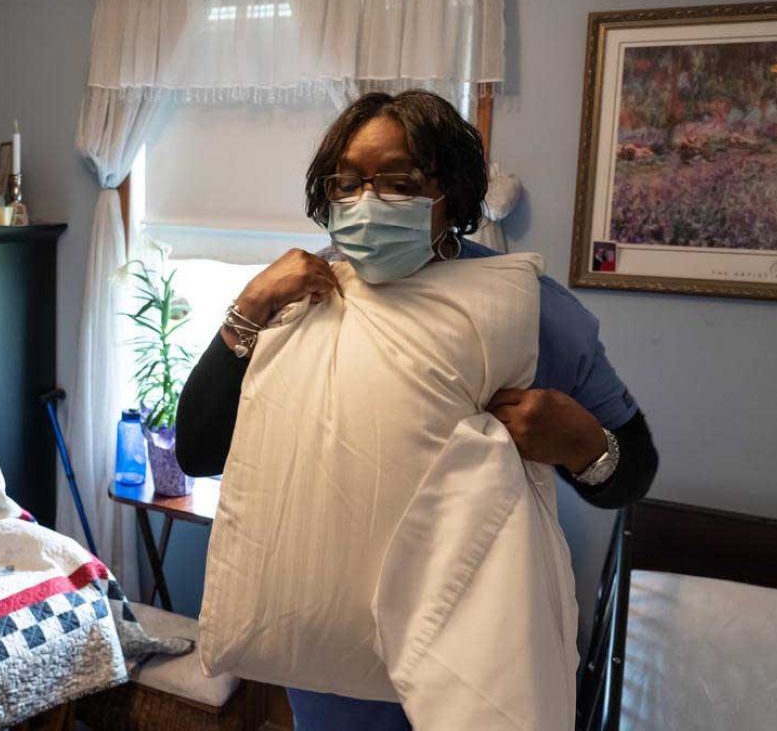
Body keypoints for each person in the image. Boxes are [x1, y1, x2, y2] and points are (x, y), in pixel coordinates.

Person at [176, 90, 658, 731]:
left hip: (478, 663)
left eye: (398, 182)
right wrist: (246, 309)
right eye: (346, 183)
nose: (366, 203)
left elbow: (634, 469)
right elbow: (199, 451)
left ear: (451, 194)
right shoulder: (302, 294)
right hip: (330, 674)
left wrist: (582, 444)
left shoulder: (521, 310)